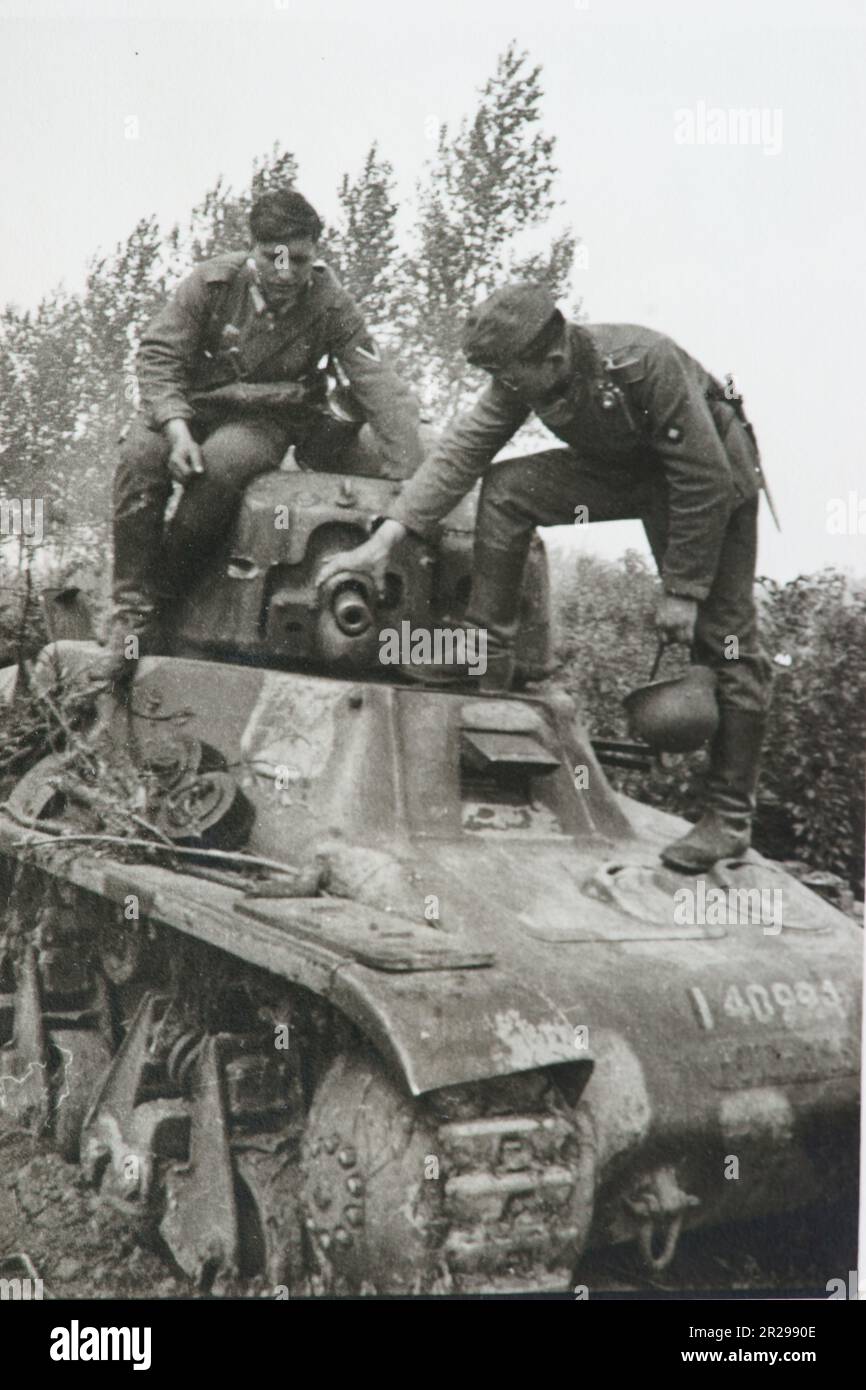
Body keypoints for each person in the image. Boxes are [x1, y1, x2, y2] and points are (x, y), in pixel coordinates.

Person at [319, 283, 773, 872]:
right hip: (628, 471)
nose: (501, 387)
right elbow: (464, 452)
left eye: (506, 374)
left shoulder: (643, 363)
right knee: (508, 492)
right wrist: (388, 535)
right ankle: (486, 650)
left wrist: (683, 591)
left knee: (728, 640)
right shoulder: (522, 375)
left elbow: (703, 477)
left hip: (712, 479)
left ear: (551, 358)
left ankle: (728, 820)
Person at [108, 187, 423, 681]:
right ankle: (129, 612)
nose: (285, 271)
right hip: (187, 405)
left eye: (299, 259)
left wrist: (413, 472)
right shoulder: (211, 284)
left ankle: (164, 600)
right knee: (139, 461)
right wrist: (176, 429)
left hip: (264, 417)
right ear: (252, 248)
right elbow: (158, 356)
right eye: (272, 256)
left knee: (221, 467)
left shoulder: (329, 303)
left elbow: (375, 381)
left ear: (315, 253)